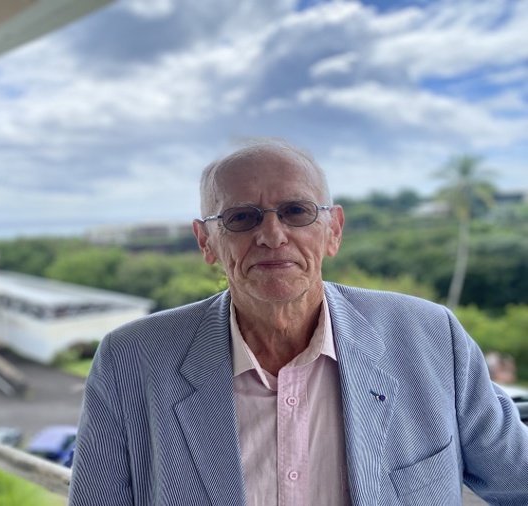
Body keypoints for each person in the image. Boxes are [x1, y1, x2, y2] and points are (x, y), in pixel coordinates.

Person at [69, 139, 528, 505]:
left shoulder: (430, 338)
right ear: (206, 241)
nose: (272, 235)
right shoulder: (132, 359)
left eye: (296, 211)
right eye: (241, 217)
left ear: (333, 230)